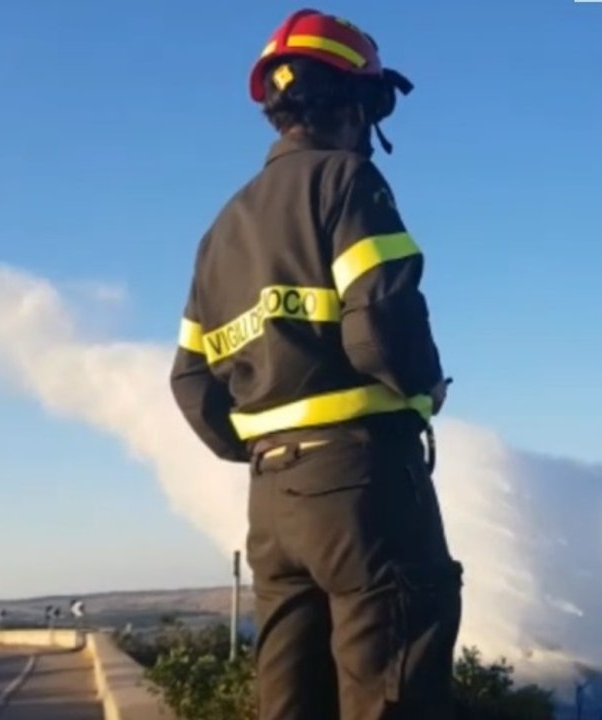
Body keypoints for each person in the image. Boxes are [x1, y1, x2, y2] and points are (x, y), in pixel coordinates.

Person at [167, 8, 463, 719]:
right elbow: (380, 332)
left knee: (291, 701)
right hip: (364, 488)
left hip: (272, 504)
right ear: (355, 102)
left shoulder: (221, 230)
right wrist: (425, 389)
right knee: (393, 687)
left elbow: (191, 383)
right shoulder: (348, 181)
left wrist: (268, 444)